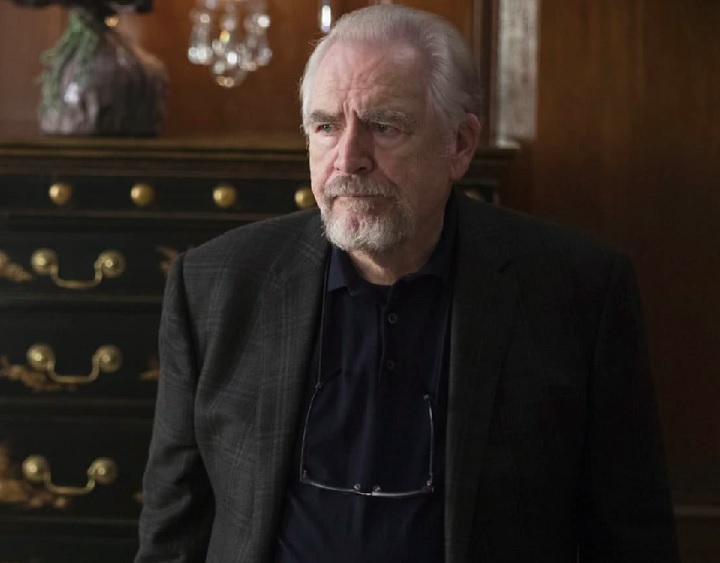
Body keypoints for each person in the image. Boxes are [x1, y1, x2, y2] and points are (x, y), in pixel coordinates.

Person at [135, 5, 679, 562]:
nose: (348, 159)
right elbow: (173, 531)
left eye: (384, 126)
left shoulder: (578, 292)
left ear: (459, 144)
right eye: (326, 127)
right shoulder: (216, 285)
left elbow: (633, 537)